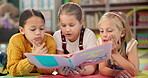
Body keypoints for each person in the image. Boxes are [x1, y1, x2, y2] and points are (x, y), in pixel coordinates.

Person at [7, 9, 56, 76]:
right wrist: (32, 59)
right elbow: (13, 70)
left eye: (42, 28)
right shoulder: (16, 40)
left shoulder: (49, 40)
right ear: (22, 30)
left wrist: (40, 59)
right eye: (33, 29)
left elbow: (51, 70)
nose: (38, 33)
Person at [53, 2, 97, 75]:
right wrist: (62, 72)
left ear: (81, 22)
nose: (67, 30)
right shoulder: (57, 36)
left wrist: (83, 71)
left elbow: (92, 66)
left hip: (85, 73)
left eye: (71, 25)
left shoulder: (88, 35)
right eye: (63, 25)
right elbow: (59, 64)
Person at [97, 12, 140, 78]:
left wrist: (114, 53)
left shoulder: (130, 44)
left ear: (122, 32)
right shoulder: (101, 42)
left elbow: (135, 71)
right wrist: (115, 73)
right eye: (101, 31)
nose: (104, 35)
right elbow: (102, 68)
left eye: (109, 30)